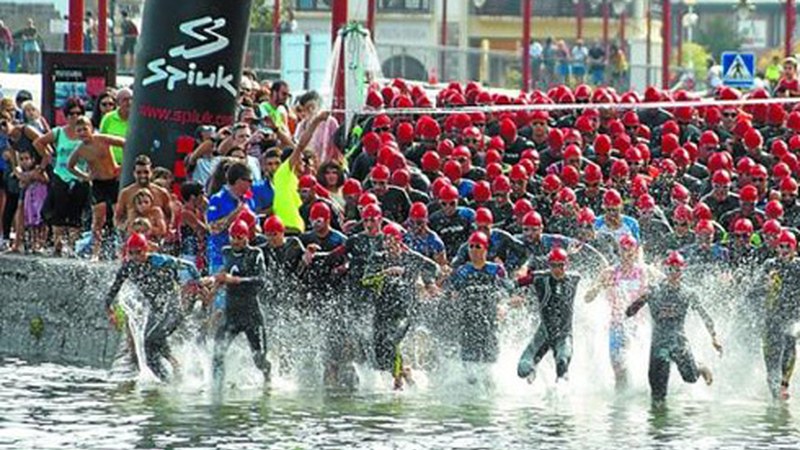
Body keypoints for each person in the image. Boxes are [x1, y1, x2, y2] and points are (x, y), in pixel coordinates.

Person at [626, 251, 722, 406]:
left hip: (679, 341)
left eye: (677, 269)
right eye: (671, 269)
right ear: (666, 270)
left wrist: (714, 338)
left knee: (690, 378)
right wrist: (637, 303)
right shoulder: (654, 290)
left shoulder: (688, 293)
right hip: (658, 344)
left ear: (682, 271)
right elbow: (629, 312)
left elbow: (705, 316)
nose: (674, 273)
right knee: (658, 395)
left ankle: (700, 367)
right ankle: (658, 428)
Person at [104, 233, 203, 381]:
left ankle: (169, 377)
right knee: (151, 342)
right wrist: (109, 311)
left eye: (139, 252)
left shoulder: (159, 261)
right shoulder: (128, 267)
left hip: (173, 309)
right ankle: (175, 370)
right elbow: (113, 290)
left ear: (146, 250)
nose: (135, 256)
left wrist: (199, 282)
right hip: (157, 311)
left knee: (149, 342)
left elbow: (190, 266)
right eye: (131, 253)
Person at [443, 231, 512, 382]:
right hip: (468, 322)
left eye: (478, 246)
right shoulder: (463, 271)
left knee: (489, 372)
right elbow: (450, 290)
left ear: (485, 249)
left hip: (489, 321)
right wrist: (453, 294)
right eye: (471, 247)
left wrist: (502, 305)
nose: (474, 250)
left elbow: (507, 290)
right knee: (470, 374)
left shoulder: (496, 270)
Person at [584, 235, 651, 389]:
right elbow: (587, 298)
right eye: (623, 250)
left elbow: (662, 287)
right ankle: (621, 400)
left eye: (630, 250)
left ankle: (641, 394)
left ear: (635, 251)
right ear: (619, 251)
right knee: (618, 365)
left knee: (639, 363)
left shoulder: (644, 271)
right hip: (617, 325)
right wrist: (600, 286)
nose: (627, 254)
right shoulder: (609, 272)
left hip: (638, 325)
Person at [212, 219, 270, 388]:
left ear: (246, 238)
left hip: (252, 315)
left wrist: (236, 280)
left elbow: (261, 280)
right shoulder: (226, 252)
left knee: (259, 360)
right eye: (233, 237)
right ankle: (216, 387)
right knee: (217, 354)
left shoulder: (255, 253)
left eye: (239, 237)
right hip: (232, 315)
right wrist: (214, 285)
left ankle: (269, 381)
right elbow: (224, 273)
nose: (236, 241)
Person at [33, 98, 91, 256]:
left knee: (76, 212)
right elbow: (38, 142)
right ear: (66, 115)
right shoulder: (59, 132)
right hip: (61, 174)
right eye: (71, 113)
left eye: (78, 113)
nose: (75, 116)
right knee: (59, 211)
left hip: (81, 176)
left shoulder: (86, 133)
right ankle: (58, 245)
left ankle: (73, 246)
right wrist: (48, 157)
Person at [515, 248, 581, 384]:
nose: (557, 269)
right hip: (544, 333)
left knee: (562, 363)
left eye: (560, 265)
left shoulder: (574, 278)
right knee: (523, 370)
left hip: (564, 335)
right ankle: (534, 368)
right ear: (549, 265)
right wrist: (511, 297)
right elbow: (515, 284)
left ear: (566, 265)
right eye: (553, 265)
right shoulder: (540, 278)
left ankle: (561, 396)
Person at [67, 116, 125, 260]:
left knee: (118, 217)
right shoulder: (80, 150)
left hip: (113, 180)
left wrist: (123, 167)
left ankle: (121, 250)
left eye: (85, 129)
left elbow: (125, 143)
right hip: (98, 184)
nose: (82, 132)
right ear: (76, 133)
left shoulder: (102, 139)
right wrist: (85, 176)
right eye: (79, 130)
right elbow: (70, 166)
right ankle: (96, 252)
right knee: (98, 219)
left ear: (91, 129)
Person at [759, 230, 800, 400]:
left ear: (795, 249)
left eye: (787, 247)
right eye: (781, 246)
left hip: (793, 315)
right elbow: (754, 290)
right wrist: (765, 284)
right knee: (771, 357)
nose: (784, 250)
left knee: (790, 341)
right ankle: (775, 394)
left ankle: (784, 385)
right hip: (772, 317)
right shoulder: (770, 265)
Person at [115, 154, 172, 231]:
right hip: (133, 238)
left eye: (146, 172)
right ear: (134, 173)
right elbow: (117, 218)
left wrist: (167, 230)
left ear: (151, 172)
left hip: (155, 238)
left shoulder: (161, 193)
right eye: (139, 172)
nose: (143, 175)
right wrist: (124, 228)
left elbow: (170, 216)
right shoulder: (126, 193)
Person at [99, 88, 132, 166]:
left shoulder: (138, 119)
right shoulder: (108, 118)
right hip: (111, 165)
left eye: (131, 99)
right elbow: (101, 142)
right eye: (125, 100)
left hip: (131, 166)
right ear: (118, 103)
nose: (129, 103)